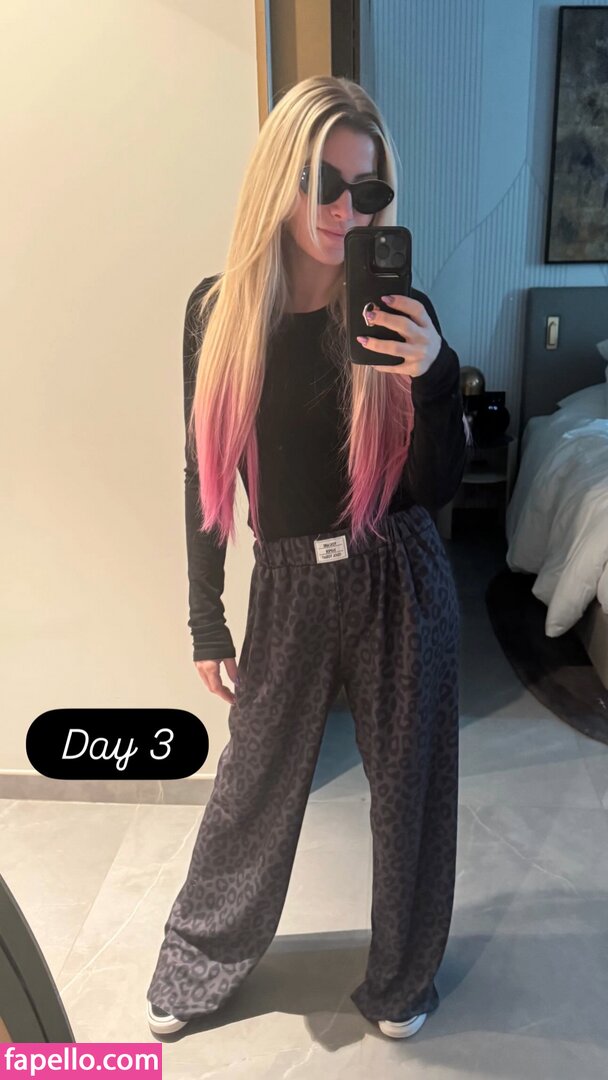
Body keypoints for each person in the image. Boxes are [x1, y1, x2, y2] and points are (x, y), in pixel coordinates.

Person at [146, 74, 470, 1041]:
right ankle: (198, 959)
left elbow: (438, 486)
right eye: (321, 182)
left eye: (366, 191)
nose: (343, 210)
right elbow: (205, 470)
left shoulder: (398, 312)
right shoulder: (219, 312)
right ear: (276, 182)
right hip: (288, 582)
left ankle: (402, 980)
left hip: (398, 571)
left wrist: (437, 377)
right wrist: (206, 615)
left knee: (409, 793)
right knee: (250, 789)